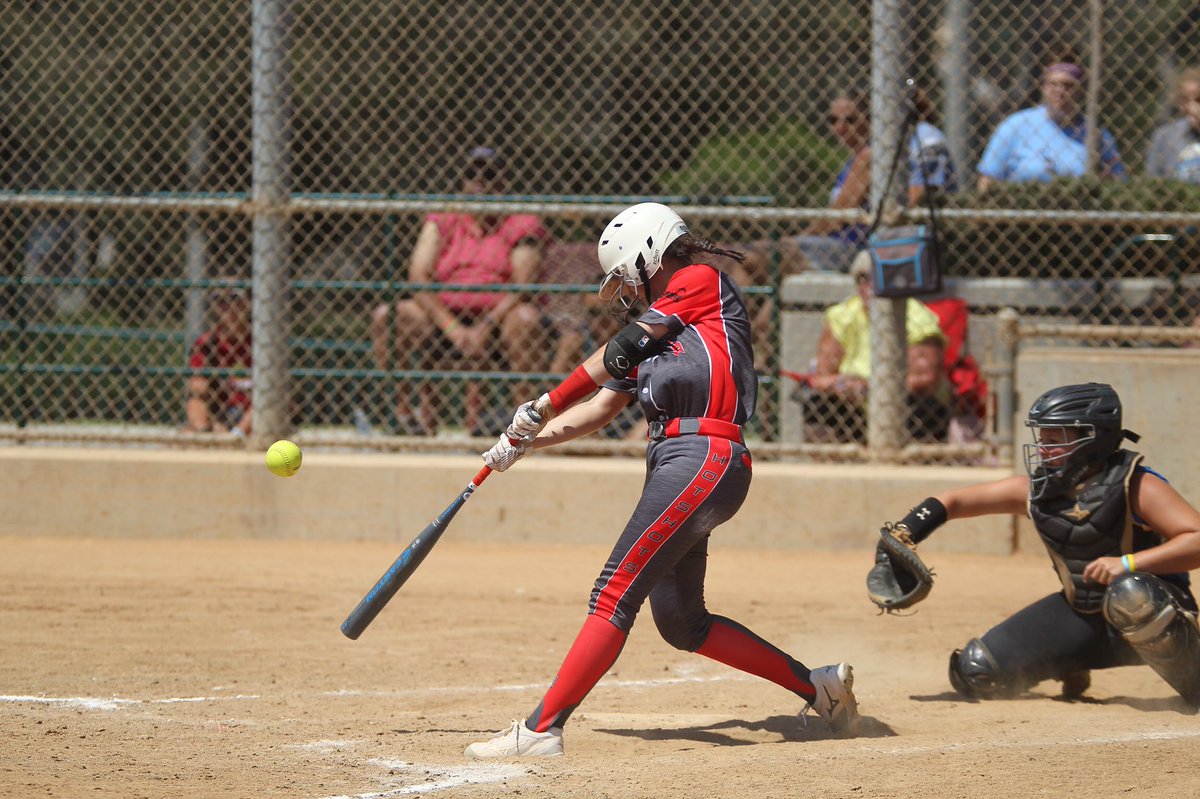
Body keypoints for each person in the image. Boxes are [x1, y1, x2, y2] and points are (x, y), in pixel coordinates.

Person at [464, 202, 859, 758]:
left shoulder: (699, 282)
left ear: (651, 254)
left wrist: (548, 400)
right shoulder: (663, 330)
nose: (625, 290)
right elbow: (602, 407)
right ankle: (818, 687)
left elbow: (616, 353)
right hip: (678, 461)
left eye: (626, 275)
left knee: (613, 591)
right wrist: (526, 439)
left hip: (704, 454)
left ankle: (541, 729)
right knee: (681, 622)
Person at [870, 382, 1200, 707]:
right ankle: (1071, 658)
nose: (1042, 448)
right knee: (976, 670)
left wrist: (1129, 564)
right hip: (1084, 614)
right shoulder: (1037, 491)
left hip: (1158, 615)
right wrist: (906, 531)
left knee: (1130, 592)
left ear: (1091, 438)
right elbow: (954, 502)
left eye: (1054, 439)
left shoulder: (1137, 483)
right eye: (1041, 438)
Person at [368, 146, 553, 436]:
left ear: (503, 183)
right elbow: (418, 275)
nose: (480, 182)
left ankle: (523, 424)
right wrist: (452, 327)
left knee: (526, 318)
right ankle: (403, 417)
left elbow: (523, 284)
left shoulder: (521, 222)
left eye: (489, 175)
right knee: (388, 316)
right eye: (472, 175)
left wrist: (485, 326)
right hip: (444, 316)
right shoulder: (443, 219)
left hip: (499, 317)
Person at [797, 251, 951, 443]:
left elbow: (925, 379)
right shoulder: (843, 315)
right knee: (818, 405)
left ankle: (912, 461)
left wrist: (871, 388)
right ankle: (829, 464)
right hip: (855, 407)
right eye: (864, 278)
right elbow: (820, 377)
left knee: (925, 407)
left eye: (879, 278)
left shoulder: (918, 318)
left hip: (902, 404)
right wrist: (841, 383)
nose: (870, 286)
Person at [976, 59, 1127, 192]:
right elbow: (988, 179)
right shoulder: (1015, 125)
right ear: (1043, 88)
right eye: (1053, 84)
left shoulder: (1095, 133)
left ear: (1081, 91)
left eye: (1068, 86)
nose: (1059, 91)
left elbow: (1117, 178)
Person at [184, 283, 253, 436]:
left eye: (234, 297)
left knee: (268, 399)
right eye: (219, 299)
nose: (228, 305)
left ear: (248, 303)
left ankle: (237, 435)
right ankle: (204, 433)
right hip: (221, 412)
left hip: (253, 413)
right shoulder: (206, 343)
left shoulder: (261, 344)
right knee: (196, 397)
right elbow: (197, 387)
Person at [1145, 67, 1200, 182]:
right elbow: (1152, 182)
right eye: (1185, 100)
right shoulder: (1165, 137)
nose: (1192, 108)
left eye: (1198, 100)